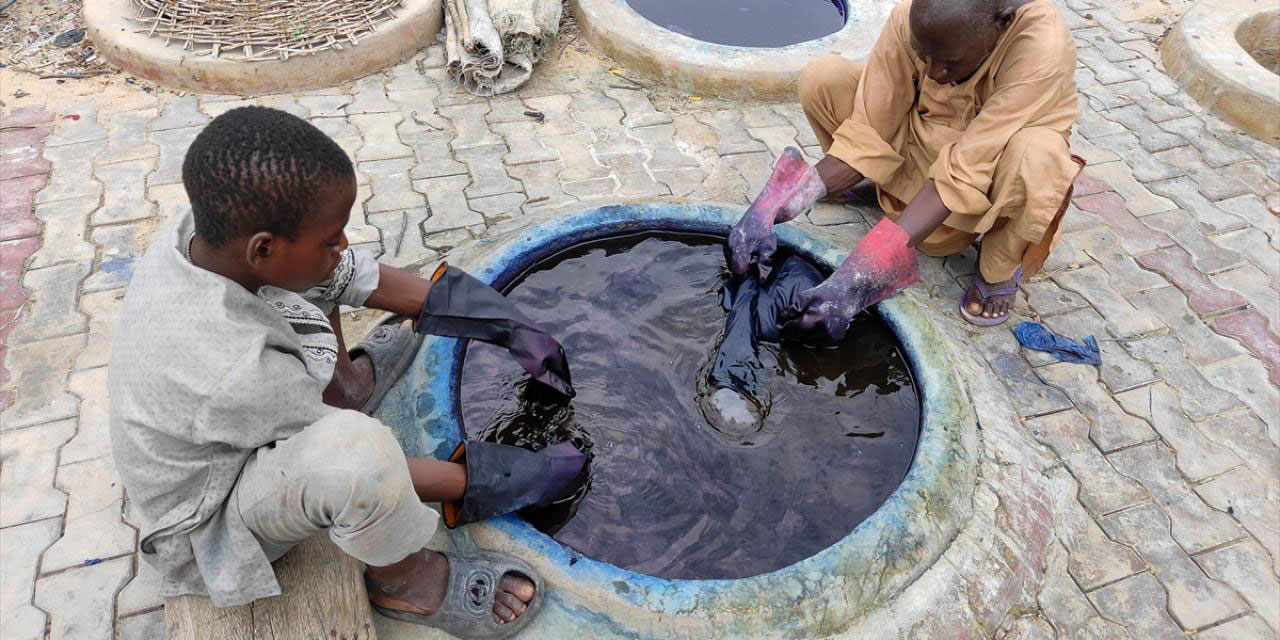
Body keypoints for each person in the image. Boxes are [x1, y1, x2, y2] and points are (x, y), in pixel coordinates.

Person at [108, 106, 584, 638]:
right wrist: (512, 479)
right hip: (205, 526)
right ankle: (405, 581)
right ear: (262, 247)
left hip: (233, 412)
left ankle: (346, 387)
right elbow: (359, 467)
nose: (344, 247)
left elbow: (352, 274)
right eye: (331, 237)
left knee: (318, 276)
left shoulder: (206, 236)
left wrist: (507, 325)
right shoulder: (233, 367)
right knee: (359, 455)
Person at [731, 0, 1083, 338]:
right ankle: (881, 187)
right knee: (824, 78)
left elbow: (965, 168)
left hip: (987, 167)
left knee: (1039, 156)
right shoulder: (911, 17)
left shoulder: (1041, 48)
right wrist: (773, 207)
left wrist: (855, 279)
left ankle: (999, 265)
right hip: (924, 138)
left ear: (1001, 23)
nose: (933, 72)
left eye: (949, 61)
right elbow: (869, 129)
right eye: (924, 55)